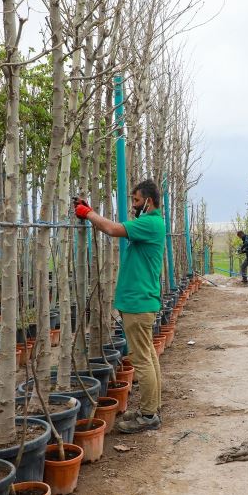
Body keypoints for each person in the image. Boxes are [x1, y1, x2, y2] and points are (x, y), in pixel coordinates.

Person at [73, 180, 166, 433]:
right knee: (147, 356)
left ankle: (148, 416)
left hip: (138, 303)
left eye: (136, 201)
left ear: (149, 200)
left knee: (141, 359)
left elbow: (112, 230)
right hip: (140, 300)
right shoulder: (152, 224)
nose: (134, 206)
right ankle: (152, 408)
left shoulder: (150, 222)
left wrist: (88, 213)